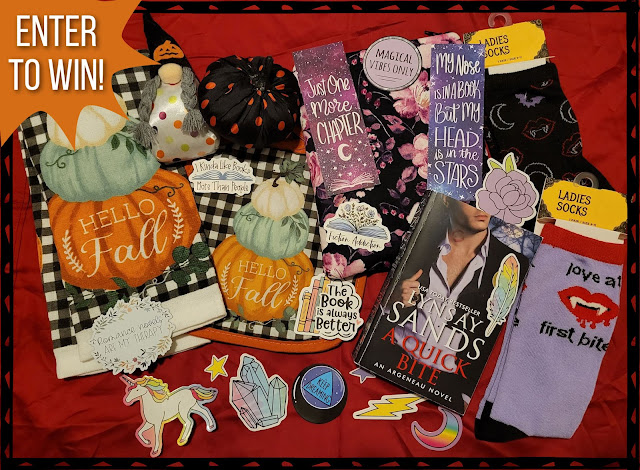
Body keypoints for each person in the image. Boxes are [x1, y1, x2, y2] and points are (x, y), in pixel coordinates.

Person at [391, 194, 528, 412]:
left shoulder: (512, 263)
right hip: (391, 358)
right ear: (447, 199)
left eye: (490, 199)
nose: (484, 208)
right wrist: (395, 298)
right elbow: (384, 306)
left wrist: (466, 395)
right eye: (473, 200)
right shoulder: (419, 237)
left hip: (452, 387)